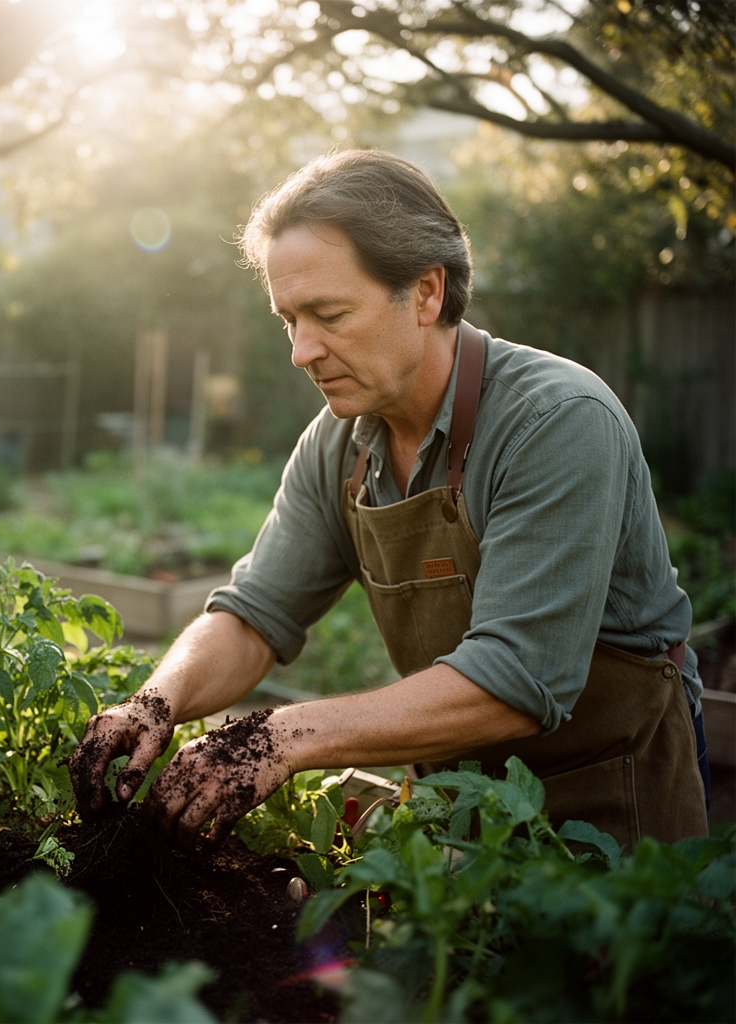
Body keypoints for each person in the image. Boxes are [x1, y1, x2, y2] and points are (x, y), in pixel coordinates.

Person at [69, 149, 710, 852]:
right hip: (461, 803)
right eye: (289, 320)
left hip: (610, 802)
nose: (301, 351)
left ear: (428, 293)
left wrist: (282, 734)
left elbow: (518, 677)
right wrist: (155, 701)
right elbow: (253, 617)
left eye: (329, 314)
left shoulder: (557, 422)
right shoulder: (341, 444)